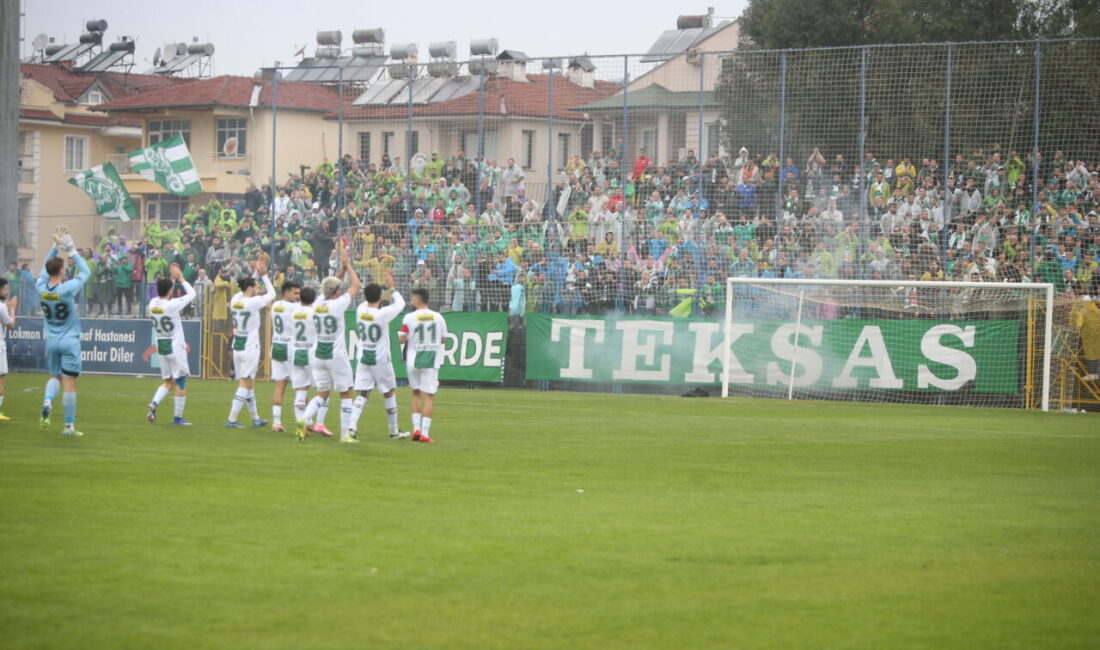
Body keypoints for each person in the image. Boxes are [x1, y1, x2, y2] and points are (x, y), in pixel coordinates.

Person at [299, 246, 361, 443]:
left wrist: (341, 269)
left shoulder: (318, 303)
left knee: (322, 393)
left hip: (318, 354)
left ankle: (304, 419)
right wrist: (349, 267)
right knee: (345, 393)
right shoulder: (338, 303)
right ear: (336, 292)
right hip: (335, 354)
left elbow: (334, 284)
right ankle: (345, 435)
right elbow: (356, 286)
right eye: (339, 289)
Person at [37, 228, 91, 436]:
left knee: (54, 376)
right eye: (64, 268)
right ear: (60, 272)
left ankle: (47, 402)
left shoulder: (41, 287)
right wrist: (72, 251)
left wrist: (53, 249)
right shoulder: (66, 288)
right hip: (69, 340)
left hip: (51, 340)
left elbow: (43, 271)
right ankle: (69, 426)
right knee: (70, 382)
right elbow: (86, 273)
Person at [349, 271, 408, 440]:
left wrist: (382, 287)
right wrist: (392, 288)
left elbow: (372, 296)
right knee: (389, 392)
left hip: (363, 357)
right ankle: (394, 431)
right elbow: (401, 304)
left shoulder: (360, 310)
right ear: (380, 298)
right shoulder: (382, 314)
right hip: (380, 358)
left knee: (363, 393)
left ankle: (352, 426)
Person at [225, 260, 276, 428]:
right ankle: (232, 419)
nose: (258, 289)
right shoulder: (252, 302)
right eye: (256, 287)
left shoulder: (235, 299)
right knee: (245, 383)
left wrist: (255, 273)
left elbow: (247, 286)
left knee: (250, 383)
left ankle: (255, 418)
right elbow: (272, 294)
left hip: (237, 345)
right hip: (250, 347)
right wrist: (264, 276)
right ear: (250, 289)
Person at [145, 264, 196, 426]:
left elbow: (166, 292)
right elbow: (192, 294)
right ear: (170, 291)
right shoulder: (172, 305)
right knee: (181, 382)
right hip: (175, 347)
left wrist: (172, 279)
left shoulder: (153, 303)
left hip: (162, 346)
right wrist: (180, 277)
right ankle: (178, 418)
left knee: (168, 382)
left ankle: (154, 404)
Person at [399, 288, 448, 443]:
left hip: (413, 360)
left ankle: (416, 428)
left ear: (418, 300)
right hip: (430, 360)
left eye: (413, 298)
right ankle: (425, 433)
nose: (411, 300)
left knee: (415, 394)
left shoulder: (408, 317)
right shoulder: (438, 317)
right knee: (429, 397)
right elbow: (443, 339)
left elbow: (401, 339)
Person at [268, 281, 301, 432]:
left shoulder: (275, 305)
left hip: (276, 347)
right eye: (295, 293)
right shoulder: (294, 307)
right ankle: (305, 421)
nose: (298, 296)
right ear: (286, 292)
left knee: (280, 385)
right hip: (289, 348)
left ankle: (276, 421)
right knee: (301, 387)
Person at [0, 278, 16, 421]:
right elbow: (10, 325)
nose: (7, 291)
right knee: (1, 378)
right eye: (5, 288)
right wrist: (12, 309)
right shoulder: (2, 307)